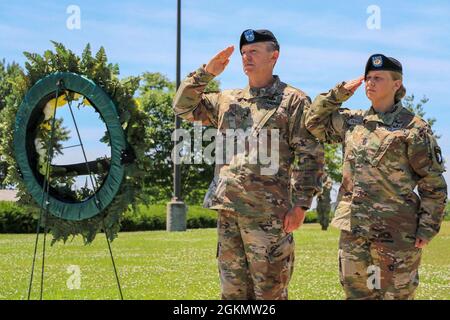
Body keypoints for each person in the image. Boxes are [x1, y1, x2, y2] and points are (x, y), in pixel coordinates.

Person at [173, 29, 324, 299]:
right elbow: (182, 106)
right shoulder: (226, 100)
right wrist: (206, 73)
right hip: (229, 210)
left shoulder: (293, 101)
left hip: (269, 213)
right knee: (233, 293)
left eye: (254, 51)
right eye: (244, 53)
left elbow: (310, 154)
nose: (246, 57)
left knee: (269, 292)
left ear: (274, 56)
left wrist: (301, 205)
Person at [305, 53, 447, 299]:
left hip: (396, 232)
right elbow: (313, 121)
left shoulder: (414, 127)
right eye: (368, 77)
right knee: (357, 295)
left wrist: (427, 227)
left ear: (397, 84)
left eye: (378, 78)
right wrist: (338, 93)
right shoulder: (352, 121)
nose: (370, 82)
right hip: (354, 230)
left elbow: (432, 183)